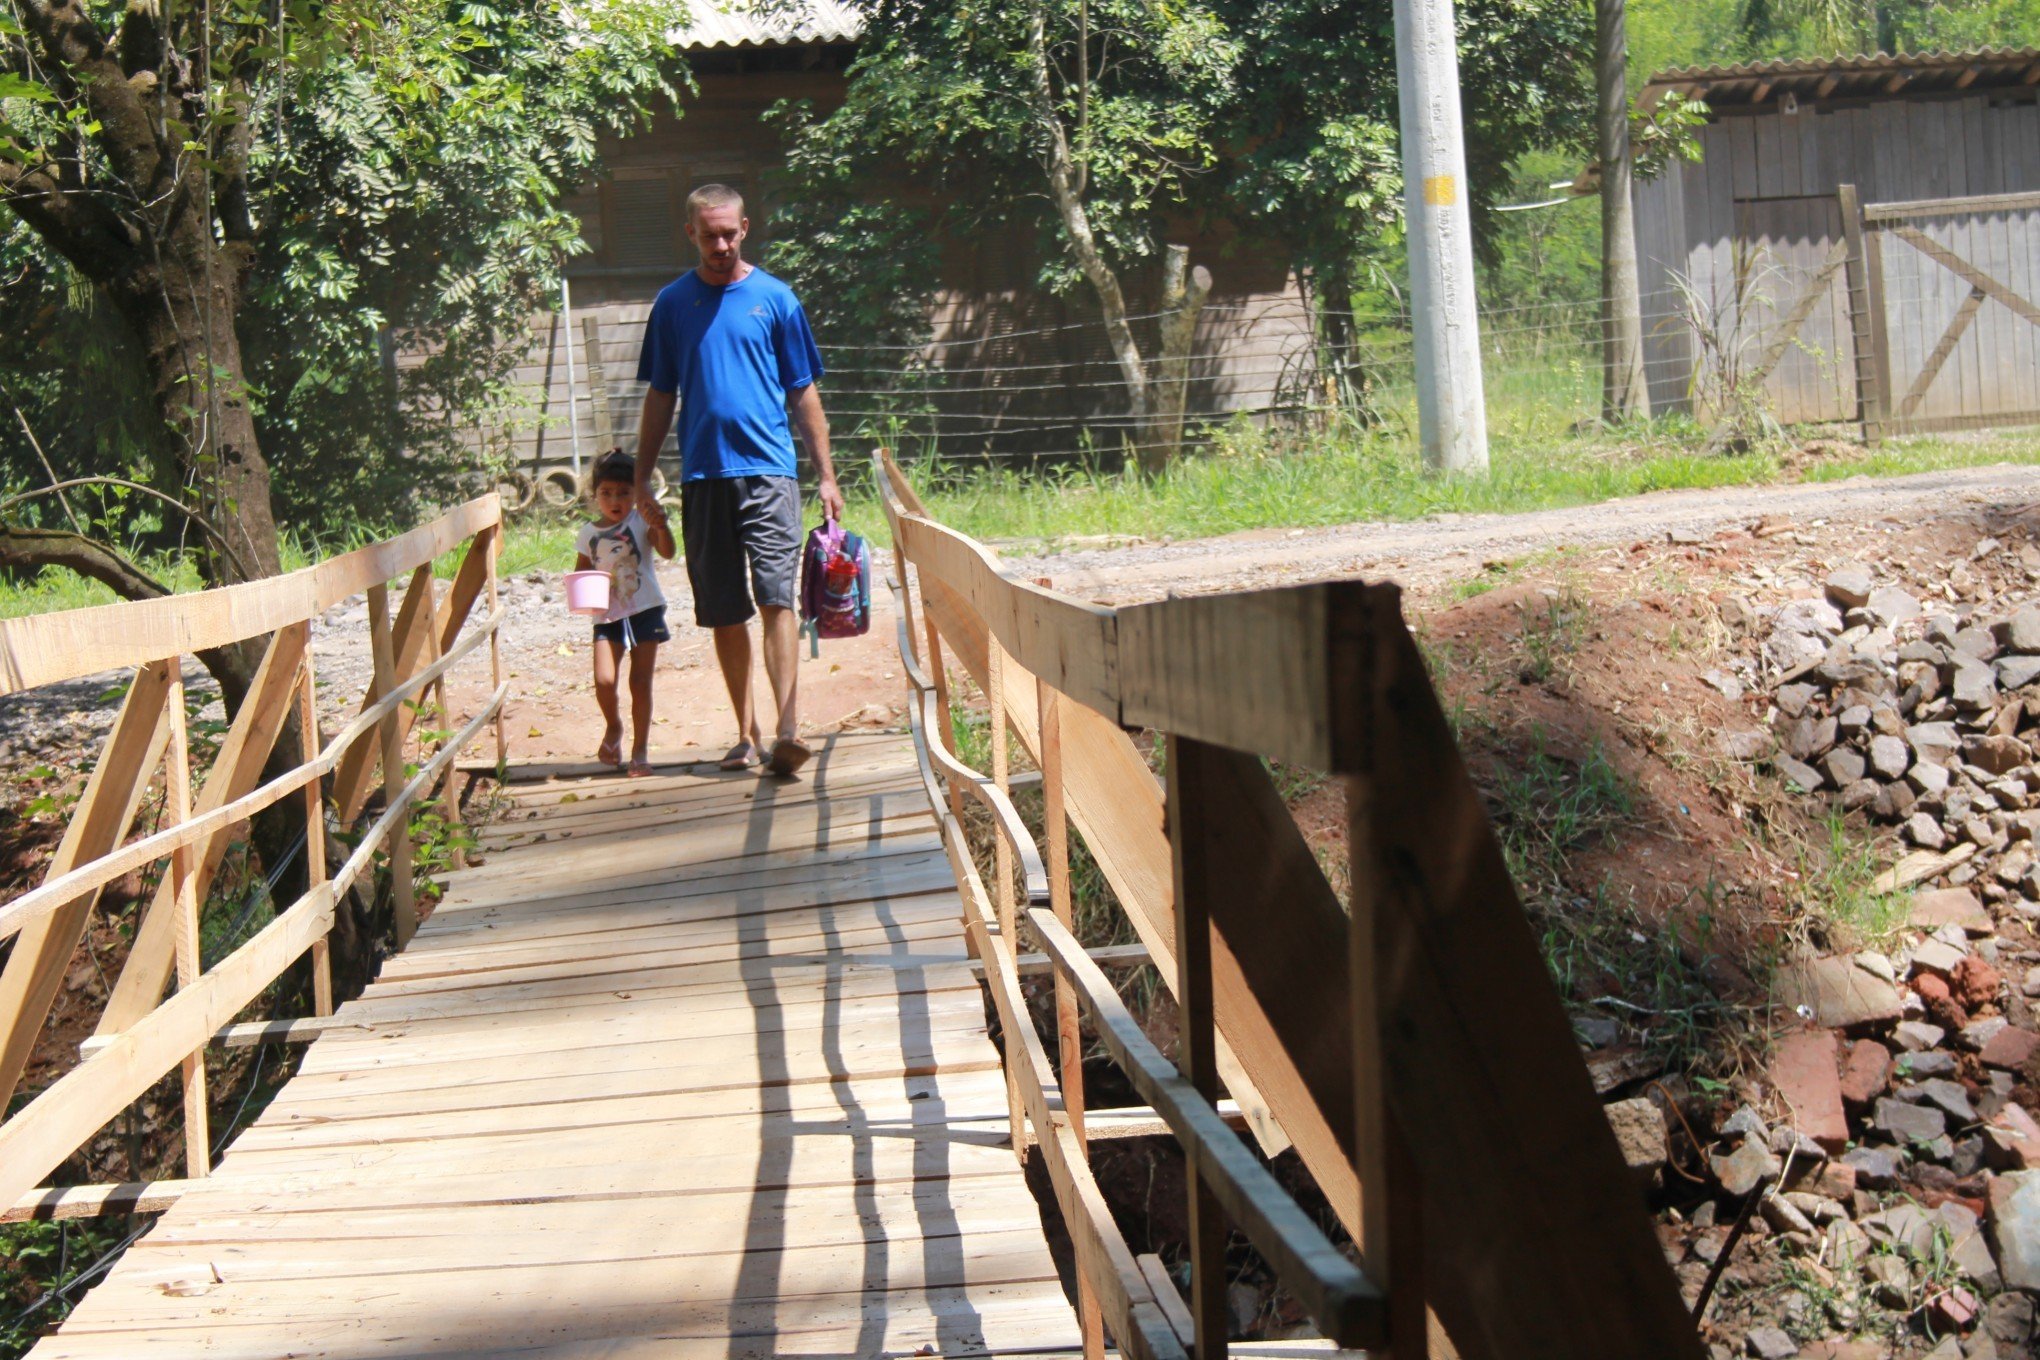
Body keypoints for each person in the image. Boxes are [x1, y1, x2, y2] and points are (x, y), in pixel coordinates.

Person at [631, 181, 843, 778]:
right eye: (709, 234)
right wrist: (643, 479)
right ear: (690, 233)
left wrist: (826, 476)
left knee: (777, 596)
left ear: (745, 229)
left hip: (770, 472)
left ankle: (787, 729)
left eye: (730, 233)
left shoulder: (776, 300)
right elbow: (660, 394)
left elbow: (803, 391)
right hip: (702, 476)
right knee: (724, 609)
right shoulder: (673, 305)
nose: (720, 244)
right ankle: (746, 733)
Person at [574, 450, 677, 778]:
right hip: (607, 617)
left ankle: (640, 752)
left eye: (623, 492)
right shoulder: (587, 534)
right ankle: (614, 727)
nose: (615, 500)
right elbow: (581, 573)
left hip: (645, 609)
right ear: (595, 495)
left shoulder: (641, 520)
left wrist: (661, 525)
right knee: (604, 680)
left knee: (640, 681)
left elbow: (668, 551)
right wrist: (584, 592)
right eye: (606, 493)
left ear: (636, 492)